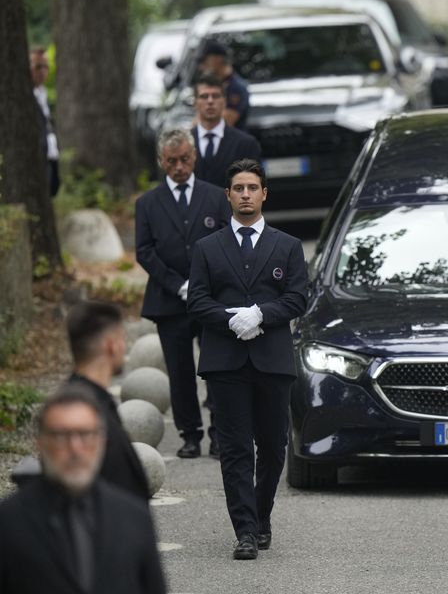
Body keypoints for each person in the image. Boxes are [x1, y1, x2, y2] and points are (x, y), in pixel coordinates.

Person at [187, 158, 307, 560]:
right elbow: (198, 300)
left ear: (264, 194)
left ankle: (261, 515)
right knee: (236, 449)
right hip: (226, 362)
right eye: (238, 188)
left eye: (252, 188)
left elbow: (297, 297)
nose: (245, 195)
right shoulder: (207, 247)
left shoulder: (288, 246)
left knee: (273, 448)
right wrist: (230, 320)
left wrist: (260, 315)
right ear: (228, 195)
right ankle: (244, 531)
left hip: (272, 360)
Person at [0, 385, 166, 593]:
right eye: (61, 436)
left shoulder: (133, 517)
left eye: (85, 434)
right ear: (40, 443)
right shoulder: (8, 523)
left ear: (101, 441)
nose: (75, 448)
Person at [136, 128, 232, 459]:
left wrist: (202, 283)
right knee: (179, 372)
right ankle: (189, 434)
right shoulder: (147, 203)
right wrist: (178, 283)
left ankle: (220, 432)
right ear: (162, 162)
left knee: (217, 367)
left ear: (194, 158)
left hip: (211, 298)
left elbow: (225, 239)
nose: (179, 166)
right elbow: (145, 251)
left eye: (185, 159)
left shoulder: (216, 196)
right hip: (169, 300)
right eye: (172, 161)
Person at [64, 301, 151, 502]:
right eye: (122, 339)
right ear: (111, 345)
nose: (124, 347)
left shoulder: (90, 399)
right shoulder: (79, 412)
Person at [191, 74, 261, 188]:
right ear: (195, 102)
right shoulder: (183, 144)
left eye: (215, 96)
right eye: (204, 96)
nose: (210, 101)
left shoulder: (246, 144)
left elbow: (253, 190)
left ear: (225, 101)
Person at [198, 41, 251, 130]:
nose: (202, 67)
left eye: (205, 61)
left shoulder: (236, 87)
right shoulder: (216, 85)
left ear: (217, 59)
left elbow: (223, 122)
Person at [30, 47, 60, 197]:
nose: (42, 71)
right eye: (38, 66)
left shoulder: (44, 94)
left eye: (45, 66)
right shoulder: (27, 97)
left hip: (51, 155)